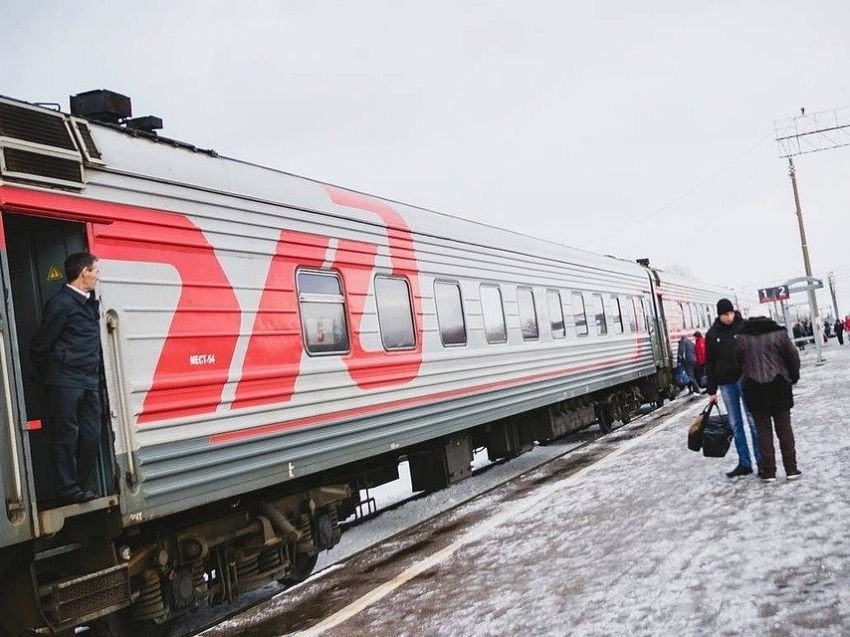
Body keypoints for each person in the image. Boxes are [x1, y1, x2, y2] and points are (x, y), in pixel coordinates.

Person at [30, 253, 102, 505]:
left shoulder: (89, 303)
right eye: (95, 271)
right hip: (65, 380)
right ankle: (68, 489)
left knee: (91, 435)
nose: (97, 276)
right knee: (66, 436)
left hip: (88, 380)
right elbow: (39, 346)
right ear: (83, 272)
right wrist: (54, 375)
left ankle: (81, 484)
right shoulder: (60, 303)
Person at [735, 310, 801, 482]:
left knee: (763, 432)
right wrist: (793, 377)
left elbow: (736, 364)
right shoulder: (779, 334)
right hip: (779, 386)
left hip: (754, 389)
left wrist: (744, 379)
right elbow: (793, 357)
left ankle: (769, 472)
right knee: (785, 429)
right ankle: (791, 469)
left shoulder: (742, 338)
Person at [705, 298, 761, 478]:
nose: (729, 317)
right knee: (736, 424)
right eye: (725, 315)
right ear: (719, 315)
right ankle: (745, 463)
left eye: (730, 313)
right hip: (726, 384)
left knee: (752, 421)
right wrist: (711, 391)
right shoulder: (712, 334)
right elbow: (710, 363)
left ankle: (761, 461)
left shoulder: (743, 327)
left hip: (745, 380)